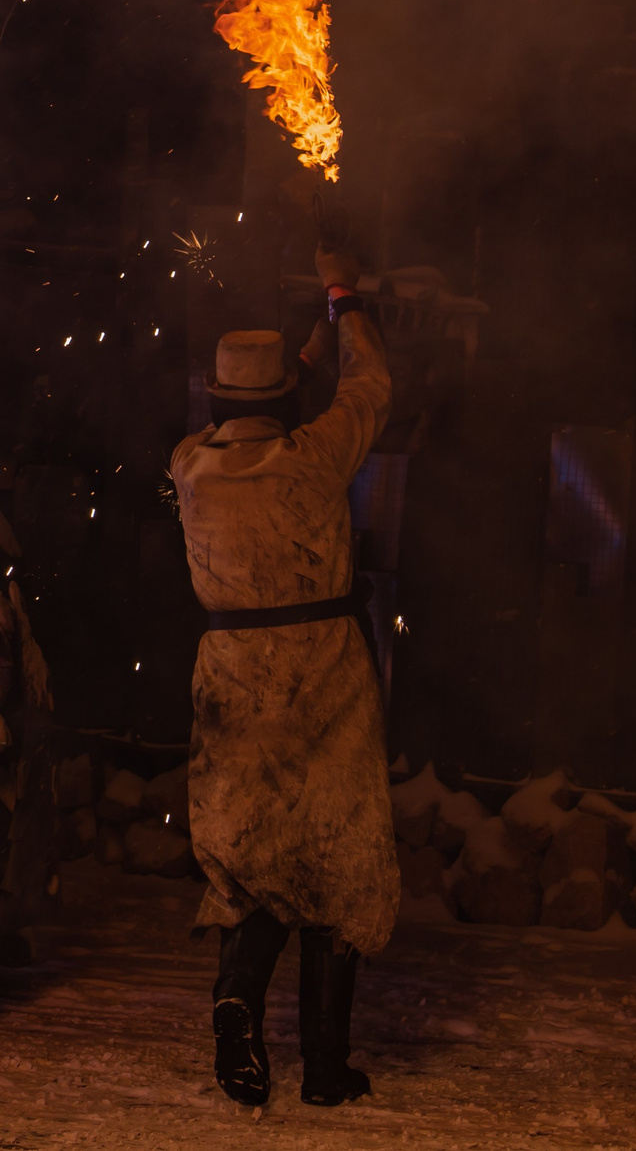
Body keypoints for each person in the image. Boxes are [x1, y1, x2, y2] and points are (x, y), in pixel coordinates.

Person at [170, 244, 393, 1110]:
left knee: (248, 858)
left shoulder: (189, 463)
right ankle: (327, 1068)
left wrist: (301, 349)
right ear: (287, 401)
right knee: (339, 855)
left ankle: (236, 1008)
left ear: (217, 397)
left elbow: (263, 406)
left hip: (229, 671)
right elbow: (369, 388)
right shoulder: (313, 456)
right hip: (322, 669)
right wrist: (345, 298)